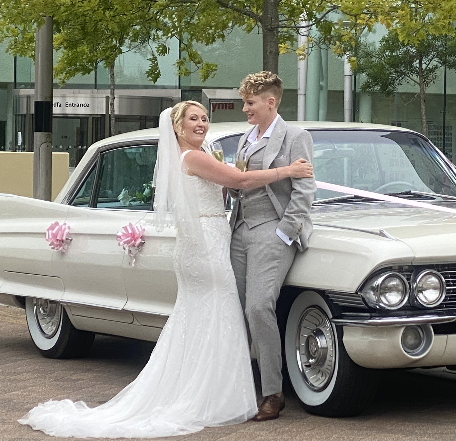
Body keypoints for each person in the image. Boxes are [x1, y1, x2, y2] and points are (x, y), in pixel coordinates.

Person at [18, 101, 313, 438]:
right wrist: (287, 171)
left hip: (203, 243)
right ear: (177, 127)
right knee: (220, 313)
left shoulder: (194, 156)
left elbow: (228, 186)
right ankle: (209, 395)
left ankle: (206, 390)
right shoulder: (193, 157)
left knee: (205, 318)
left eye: (205, 118)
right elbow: (241, 181)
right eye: (193, 119)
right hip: (206, 245)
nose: (201, 123)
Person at [229, 71, 316, 422]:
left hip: (272, 229)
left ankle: (273, 393)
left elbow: (306, 188)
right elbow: (240, 183)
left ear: (271, 102)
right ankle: (240, 384)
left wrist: (285, 232)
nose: (245, 108)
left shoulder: (296, 136)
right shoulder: (245, 139)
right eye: (244, 102)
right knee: (233, 308)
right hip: (240, 230)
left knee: (259, 307)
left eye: (250, 103)